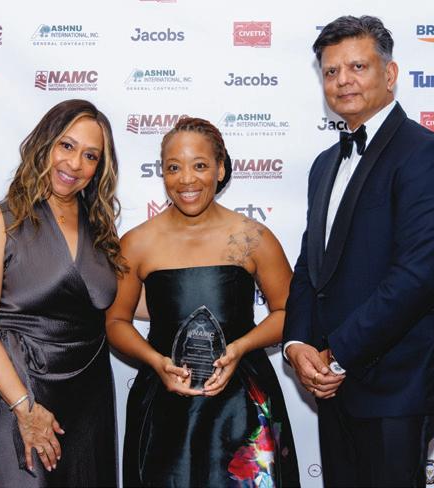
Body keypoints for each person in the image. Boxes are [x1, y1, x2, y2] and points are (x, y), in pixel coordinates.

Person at [282, 15, 434, 488]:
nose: (343, 80)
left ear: (389, 74)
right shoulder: (325, 164)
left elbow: (418, 278)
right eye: (331, 71)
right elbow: (310, 265)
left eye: (357, 66)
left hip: (397, 383)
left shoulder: (426, 154)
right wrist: (297, 343)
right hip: (333, 384)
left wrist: (336, 354)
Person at [106, 117, 300, 487]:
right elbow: (115, 321)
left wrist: (240, 347)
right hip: (163, 405)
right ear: (162, 172)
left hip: (241, 403)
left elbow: (288, 311)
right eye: (173, 168)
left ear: (220, 168)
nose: (186, 180)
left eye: (199, 165)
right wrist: (156, 362)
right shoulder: (136, 242)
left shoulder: (252, 237)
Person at [0, 99, 122, 488]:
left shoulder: (100, 228)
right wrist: (25, 408)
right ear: (44, 144)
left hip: (91, 395)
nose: (75, 164)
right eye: (66, 146)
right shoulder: (0, 221)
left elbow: (121, 303)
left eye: (90, 156)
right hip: (22, 390)